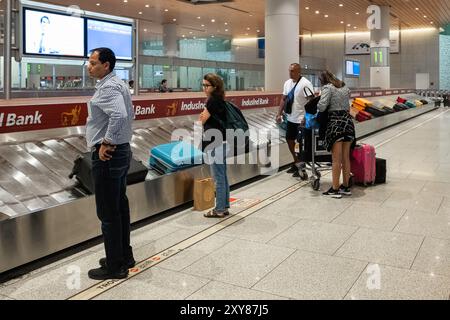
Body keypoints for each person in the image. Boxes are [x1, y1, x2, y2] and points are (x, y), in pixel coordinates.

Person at [85, 47, 136, 280]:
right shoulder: (120, 83)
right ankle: (123, 255)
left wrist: (106, 142)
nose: (89, 66)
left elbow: (119, 115)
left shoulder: (108, 87)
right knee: (119, 207)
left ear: (106, 65)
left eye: (94, 62)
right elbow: (128, 114)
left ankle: (115, 266)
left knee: (108, 212)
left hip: (109, 155)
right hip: (123, 151)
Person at [317, 70, 355, 199]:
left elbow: (322, 107)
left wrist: (318, 98)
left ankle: (335, 189)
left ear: (323, 80)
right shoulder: (344, 86)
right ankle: (345, 187)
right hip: (348, 123)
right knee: (346, 158)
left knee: (336, 159)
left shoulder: (327, 88)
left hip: (335, 124)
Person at [199, 73, 230, 218]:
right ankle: (224, 206)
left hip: (215, 143)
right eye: (203, 85)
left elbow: (202, 120)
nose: (204, 88)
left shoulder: (211, 101)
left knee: (218, 177)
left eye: (207, 85)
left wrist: (203, 116)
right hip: (222, 141)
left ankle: (218, 210)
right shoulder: (220, 99)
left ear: (214, 86)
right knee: (222, 175)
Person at [276, 63, 314, 178]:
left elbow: (311, 101)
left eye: (292, 71)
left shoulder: (305, 84)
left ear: (299, 71)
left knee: (300, 144)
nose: (290, 73)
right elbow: (284, 99)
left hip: (301, 119)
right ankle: (297, 162)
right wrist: (278, 113)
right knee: (289, 140)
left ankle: (301, 165)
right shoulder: (287, 83)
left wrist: (306, 117)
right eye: (289, 71)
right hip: (291, 118)